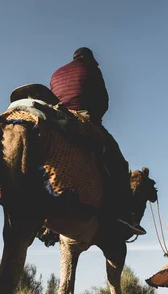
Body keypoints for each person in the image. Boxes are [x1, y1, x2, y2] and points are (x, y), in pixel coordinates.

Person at [50, 47, 146, 235]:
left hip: (55, 119)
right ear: (89, 58)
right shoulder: (91, 69)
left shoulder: (57, 73)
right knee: (118, 162)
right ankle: (123, 214)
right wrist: (97, 119)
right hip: (81, 117)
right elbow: (103, 100)